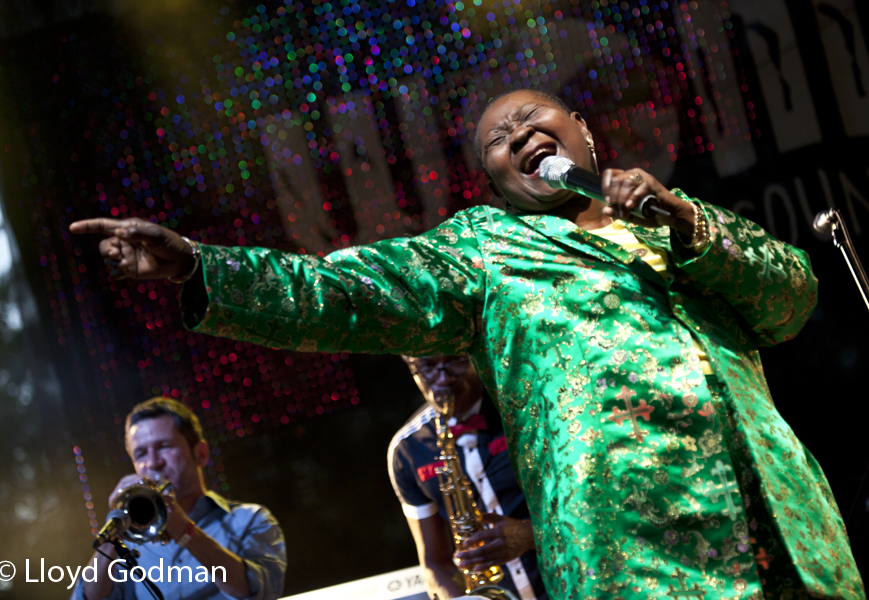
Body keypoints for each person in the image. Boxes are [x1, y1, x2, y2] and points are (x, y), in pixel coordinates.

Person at [70, 88, 865, 599]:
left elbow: (790, 299)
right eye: (498, 138)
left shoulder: (672, 219)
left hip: (786, 535)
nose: (519, 135)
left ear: (581, 130)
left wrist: (687, 220)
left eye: (533, 120)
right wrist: (199, 267)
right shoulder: (485, 251)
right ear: (494, 179)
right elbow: (339, 293)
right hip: (642, 562)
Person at [72, 397, 286, 600]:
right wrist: (116, 528)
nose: (153, 463)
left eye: (164, 447)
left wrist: (185, 531)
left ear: (200, 453)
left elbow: (262, 593)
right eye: (141, 454)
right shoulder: (128, 544)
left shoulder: (250, 520)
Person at [389, 355, 548, 600]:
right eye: (426, 367)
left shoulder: (527, 411)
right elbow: (435, 563)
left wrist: (529, 535)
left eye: (454, 361)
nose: (442, 378)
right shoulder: (407, 450)